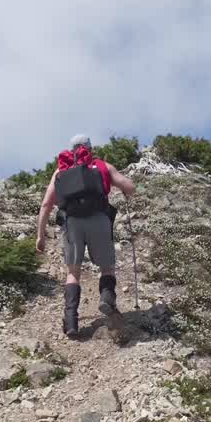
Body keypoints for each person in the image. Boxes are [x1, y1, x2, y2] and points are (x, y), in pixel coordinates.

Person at [36, 134, 136, 339]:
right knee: (106, 267)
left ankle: (71, 321)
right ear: (89, 148)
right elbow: (130, 187)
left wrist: (40, 236)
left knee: (73, 272)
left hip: (71, 222)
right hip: (99, 219)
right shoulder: (101, 165)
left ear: (71, 150)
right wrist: (126, 188)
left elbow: (46, 204)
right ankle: (107, 300)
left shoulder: (60, 171)